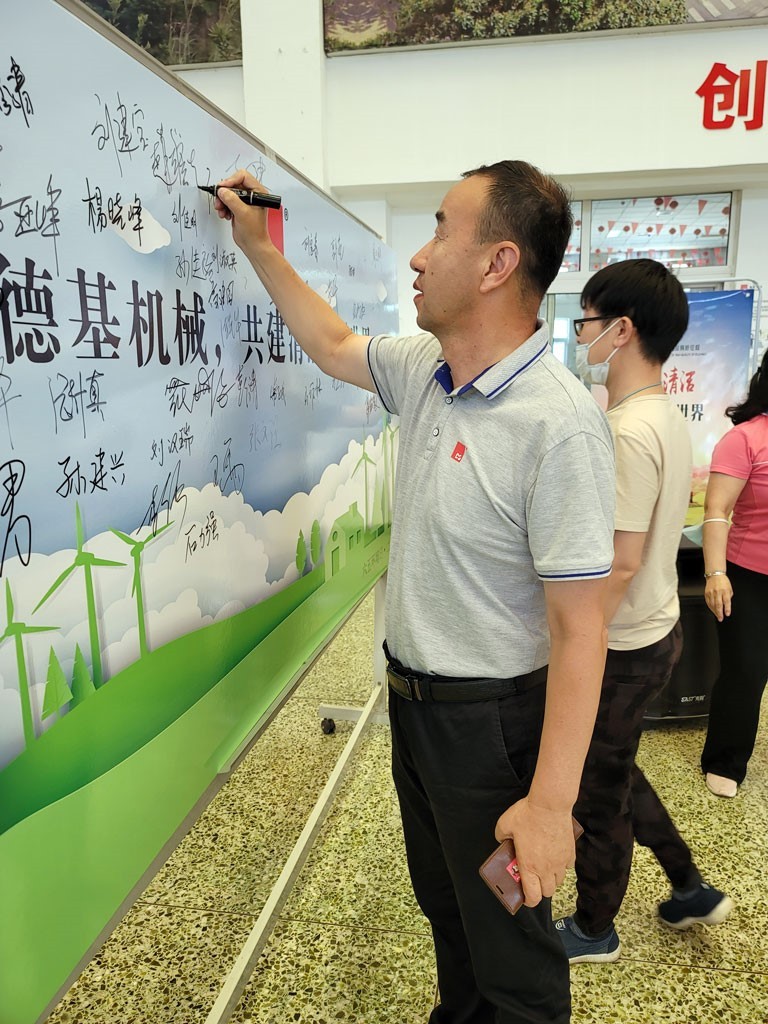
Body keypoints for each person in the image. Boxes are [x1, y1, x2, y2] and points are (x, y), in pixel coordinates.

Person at [214, 161, 614, 1023]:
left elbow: (583, 631)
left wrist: (549, 803)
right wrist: (261, 245)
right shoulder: (426, 369)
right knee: (451, 919)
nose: (418, 258)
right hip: (415, 709)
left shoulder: (559, 424)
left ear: (498, 264)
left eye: (439, 230)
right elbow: (330, 343)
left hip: (494, 731)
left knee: (515, 960)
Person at [555, 260, 732, 965]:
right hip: (653, 628)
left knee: (599, 795)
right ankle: (688, 886)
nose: (581, 337)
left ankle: (594, 929)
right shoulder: (663, 414)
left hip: (621, 643)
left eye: (587, 323)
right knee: (616, 767)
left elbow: (620, 562)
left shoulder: (627, 431)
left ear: (621, 330)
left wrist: (575, 645)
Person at [700, 347, 768, 798]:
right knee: (746, 671)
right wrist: (715, 573)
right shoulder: (745, 439)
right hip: (748, 576)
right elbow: (717, 509)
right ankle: (725, 758)